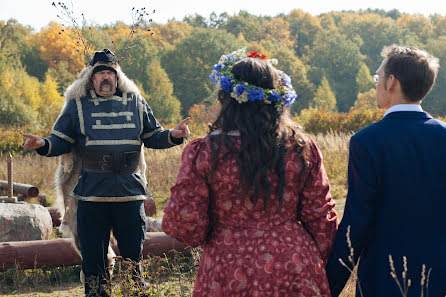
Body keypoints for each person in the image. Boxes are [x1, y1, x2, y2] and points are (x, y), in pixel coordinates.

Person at [162, 49, 338, 296]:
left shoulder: (206, 151)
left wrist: (219, 232)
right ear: (277, 100)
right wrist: (310, 258)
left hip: (227, 266)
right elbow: (321, 218)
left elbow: (184, 223)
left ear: (227, 98)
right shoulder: (300, 147)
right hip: (292, 265)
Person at [22, 49, 190, 296]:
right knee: (94, 263)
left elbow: (153, 136)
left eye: (109, 73)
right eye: (99, 73)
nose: (105, 77)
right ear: (91, 78)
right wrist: (42, 144)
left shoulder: (136, 102)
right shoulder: (77, 106)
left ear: (117, 77)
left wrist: (173, 136)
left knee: (133, 259)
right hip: (92, 195)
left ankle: (134, 293)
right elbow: (60, 141)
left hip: (129, 194)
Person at [326, 45, 446, 297]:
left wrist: (329, 284)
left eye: (377, 77)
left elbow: (357, 221)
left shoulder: (366, 141)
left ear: (391, 81)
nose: (376, 84)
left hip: (384, 276)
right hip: (439, 274)